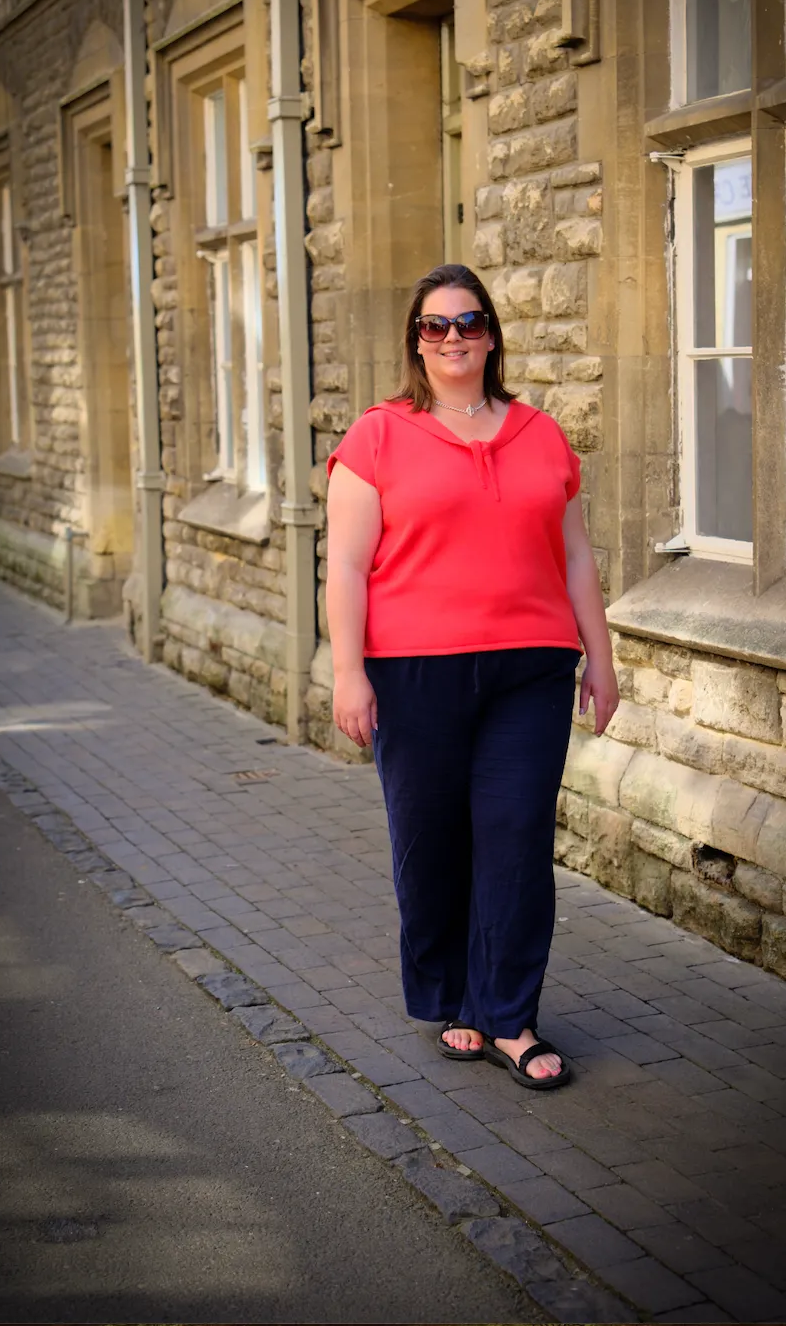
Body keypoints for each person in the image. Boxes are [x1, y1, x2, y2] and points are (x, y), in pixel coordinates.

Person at [325, 263, 618, 1089]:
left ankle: (509, 1016)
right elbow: (344, 564)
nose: (452, 337)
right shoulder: (378, 435)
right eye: (434, 325)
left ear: (490, 332)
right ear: (416, 341)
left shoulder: (541, 433)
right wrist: (349, 672)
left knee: (516, 839)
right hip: (413, 671)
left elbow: (577, 555)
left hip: (530, 670)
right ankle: (450, 995)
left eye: (468, 320)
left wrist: (600, 656)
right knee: (431, 843)